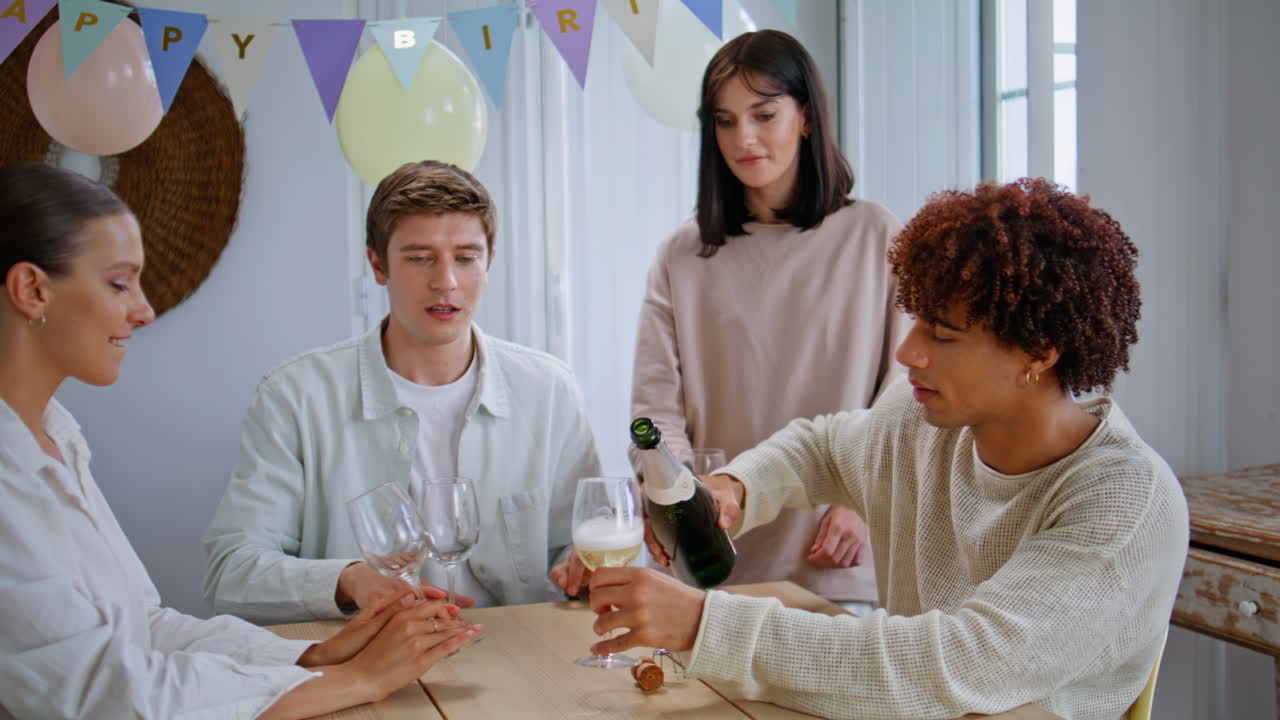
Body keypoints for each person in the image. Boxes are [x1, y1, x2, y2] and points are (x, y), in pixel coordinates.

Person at [582, 179, 1189, 720]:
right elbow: (820, 449)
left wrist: (703, 625)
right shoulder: (924, 422)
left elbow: (956, 666)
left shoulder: (1125, 501)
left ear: (1039, 351)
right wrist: (738, 489)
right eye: (916, 322)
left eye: (943, 335)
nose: (909, 353)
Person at [0, 163, 481, 719]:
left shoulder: (56, 439)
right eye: (117, 283)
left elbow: (145, 627)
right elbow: (105, 698)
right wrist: (358, 680)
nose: (144, 309)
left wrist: (314, 653)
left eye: (466, 257)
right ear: (33, 289)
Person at [553, 30, 904, 602]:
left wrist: (862, 501)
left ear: (807, 118)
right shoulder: (682, 255)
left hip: (837, 553)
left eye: (764, 115)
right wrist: (685, 515)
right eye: (724, 120)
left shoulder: (877, 236)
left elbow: (905, 392)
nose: (744, 138)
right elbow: (655, 412)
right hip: (710, 566)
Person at [204, 161, 602, 625]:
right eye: (419, 257)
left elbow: (579, 545)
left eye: (466, 257)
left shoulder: (549, 389)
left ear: (489, 261)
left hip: (516, 655)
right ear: (378, 265)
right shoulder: (294, 396)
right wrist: (349, 580)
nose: (446, 282)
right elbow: (231, 571)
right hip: (367, 658)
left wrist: (584, 565)